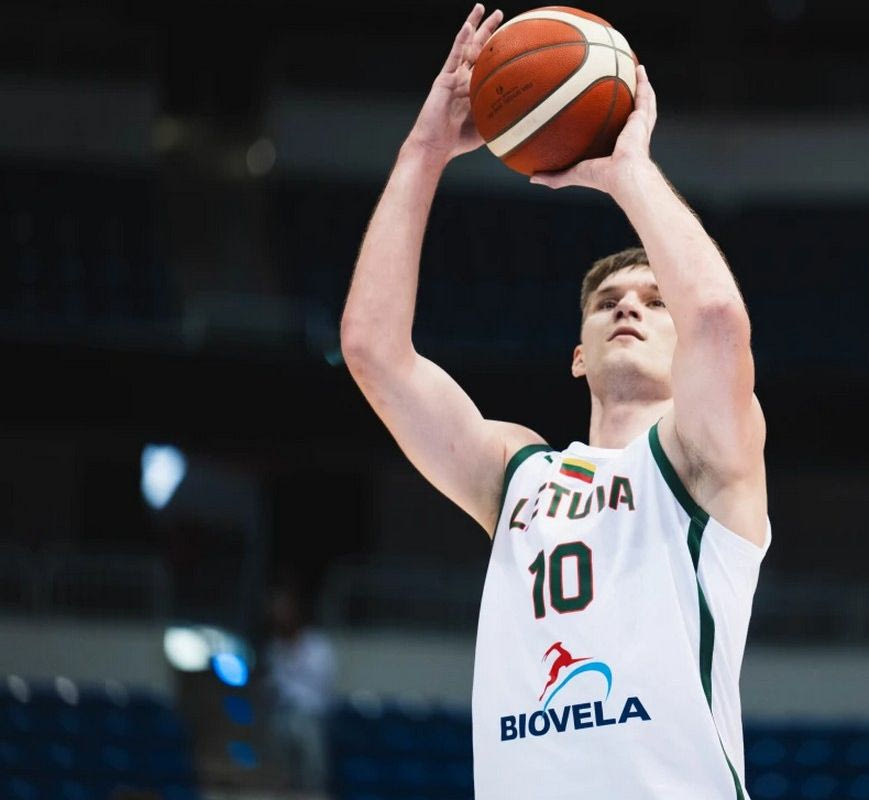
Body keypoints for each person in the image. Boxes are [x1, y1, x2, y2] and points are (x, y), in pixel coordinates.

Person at [340, 5, 770, 798]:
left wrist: (628, 171)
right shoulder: (518, 473)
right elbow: (372, 351)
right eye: (607, 302)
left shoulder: (708, 460)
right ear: (579, 355)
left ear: (685, 351)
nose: (628, 306)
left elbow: (715, 316)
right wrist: (425, 149)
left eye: (654, 301)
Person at [262, 583, 336, 793]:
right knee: (280, 770)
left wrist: (293, 666)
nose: (280, 617)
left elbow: (321, 680)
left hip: (310, 715)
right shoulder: (275, 647)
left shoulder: (318, 645)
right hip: (281, 714)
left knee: (312, 770)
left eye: (284, 611)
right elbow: (274, 684)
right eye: (277, 613)